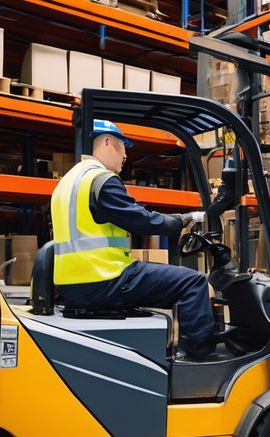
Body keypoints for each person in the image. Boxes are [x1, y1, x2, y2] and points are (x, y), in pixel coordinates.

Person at [50, 119, 216, 360]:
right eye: (123, 145)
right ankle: (200, 359)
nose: (126, 154)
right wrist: (177, 222)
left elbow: (125, 212)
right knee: (193, 283)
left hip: (73, 281)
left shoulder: (69, 180)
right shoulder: (101, 179)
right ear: (107, 141)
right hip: (104, 278)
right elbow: (140, 221)